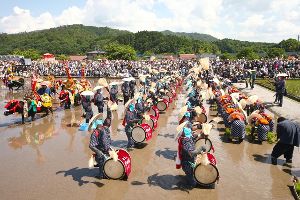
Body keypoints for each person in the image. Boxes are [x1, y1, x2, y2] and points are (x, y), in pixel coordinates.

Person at [89, 109, 112, 179]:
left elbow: (91, 145)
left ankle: (102, 175)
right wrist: (99, 152)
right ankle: (102, 174)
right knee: (102, 162)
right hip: (103, 150)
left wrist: (107, 149)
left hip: (105, 150)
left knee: (103, 163)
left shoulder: (101, 130)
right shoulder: (100, 131)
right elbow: (91, 145)